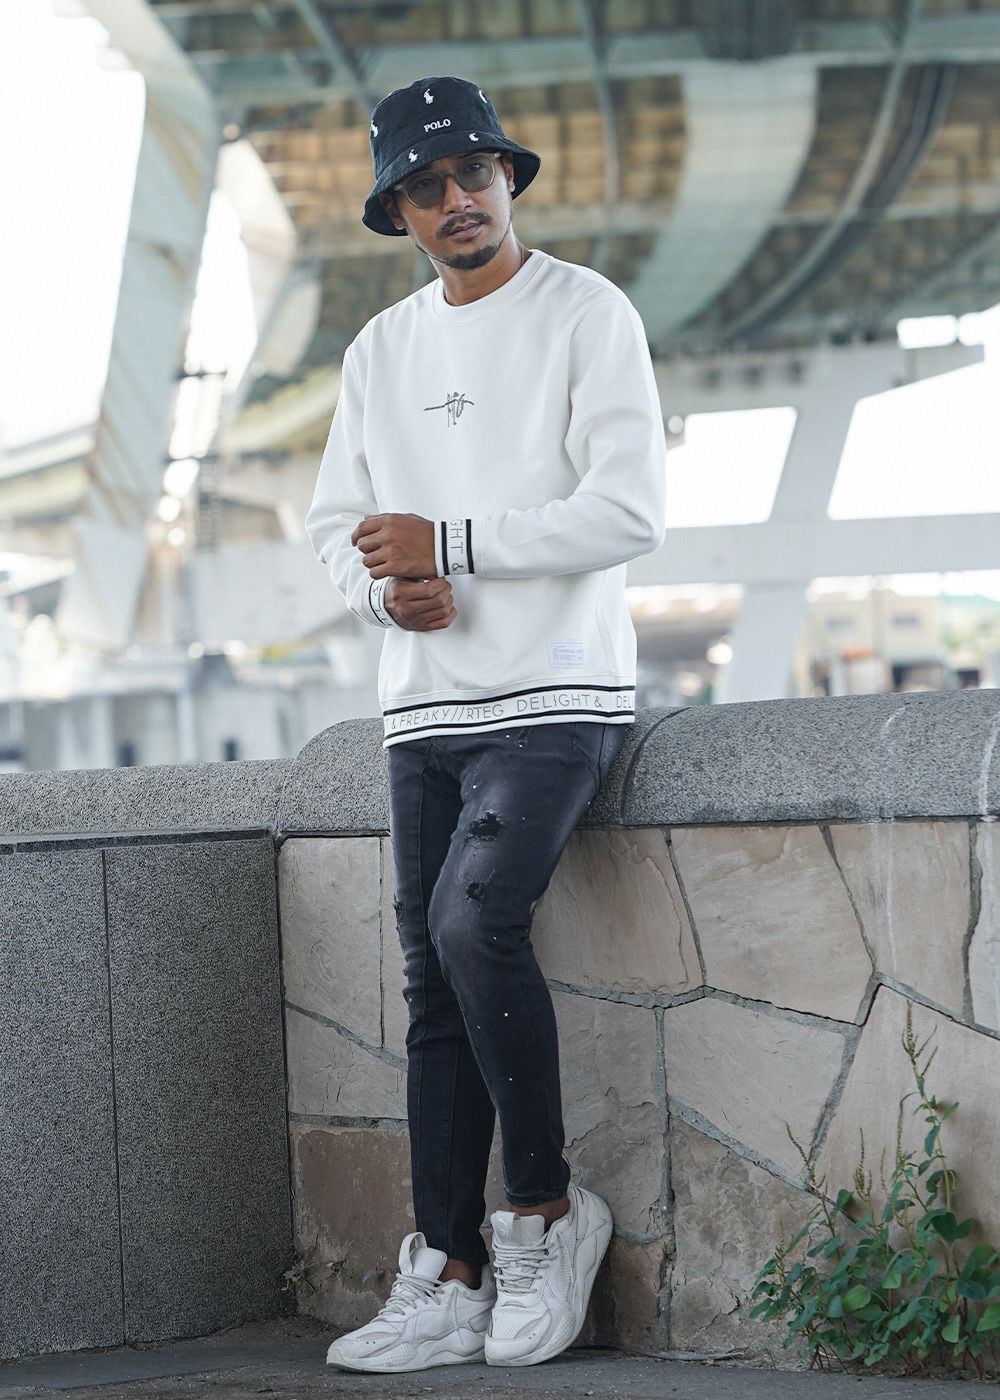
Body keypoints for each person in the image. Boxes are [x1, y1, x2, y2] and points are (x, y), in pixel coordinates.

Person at [305, 74, 666, 1374]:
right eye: (425, 186)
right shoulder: (378, 352)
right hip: (423, 705)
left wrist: (449, 541)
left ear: (508, 178)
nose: (454, 200)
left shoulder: (587, 312)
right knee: (431, 982)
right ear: (399, 213)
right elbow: (331, 528)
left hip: (558, 690)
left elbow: (629, 511)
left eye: (472, 174)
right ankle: (447, 1271)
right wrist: (387, 593)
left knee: (473, 925)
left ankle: (546, 1216)